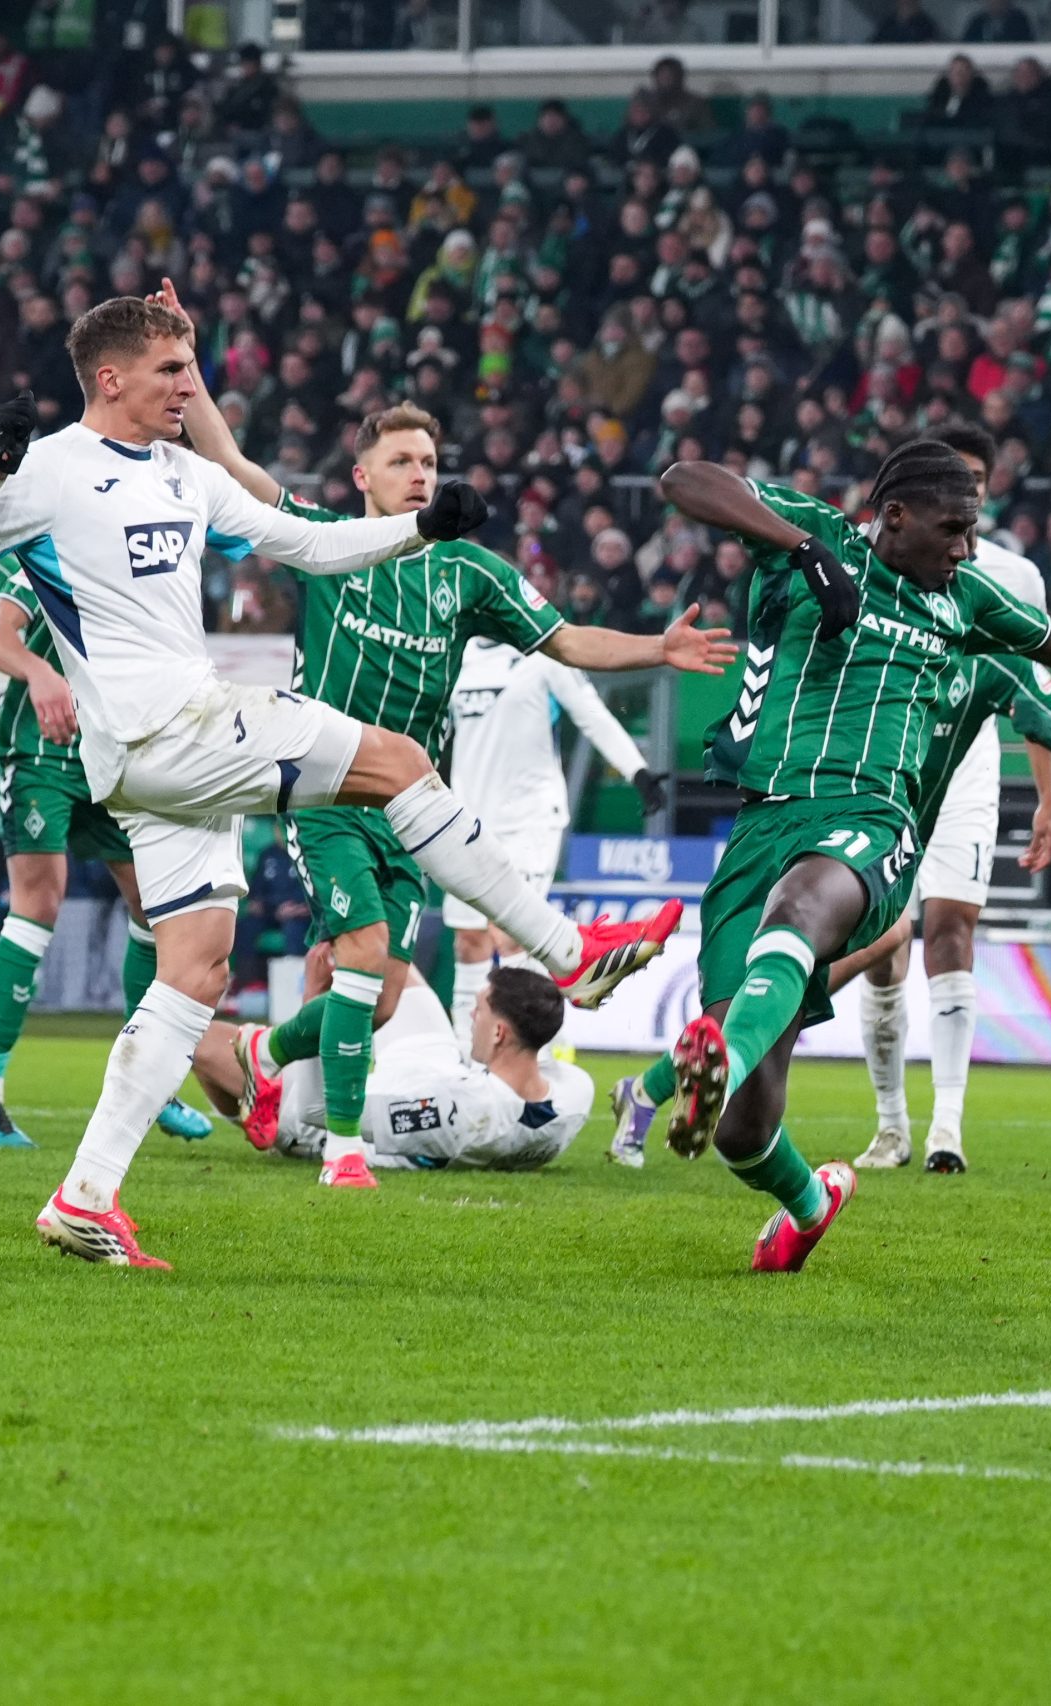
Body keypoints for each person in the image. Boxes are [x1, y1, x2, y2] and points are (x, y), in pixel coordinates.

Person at [0, 295, 687, 1267]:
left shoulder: (185, 473)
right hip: (170, 726)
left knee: (197, 966)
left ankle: (86, 1193)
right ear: (110, 378)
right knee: (400, 762)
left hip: (155, 764)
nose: (188, 386)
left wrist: (418, 530)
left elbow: (307, 543)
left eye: (189, 366)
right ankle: (569, 953)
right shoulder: (48, 468)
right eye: (170, 370)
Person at [608, 446, 1051, 1273]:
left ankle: (719, 1058)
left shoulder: (966, 600)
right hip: (762, 823)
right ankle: (809, 1199)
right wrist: (805, 553)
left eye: (972, 530)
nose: (966, 547)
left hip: (872, 819)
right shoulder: (815, 534)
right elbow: (685, 480)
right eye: (953, 528)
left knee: (800, 909)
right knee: (743, 1131)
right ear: (895, 516)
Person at [171, 371, 711, 1188]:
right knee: (362, 952)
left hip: (408, 807)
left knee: (379, 988)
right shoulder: (325, 542)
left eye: (428, 461)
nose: (420, 474)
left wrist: (657, 649)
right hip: (323, 791)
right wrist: (194, 377)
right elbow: (235, 466)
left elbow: (566, 640)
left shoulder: (468, 572)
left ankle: (260, 1052)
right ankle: (344, 1151)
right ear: (363, 476)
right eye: (401, 461)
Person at [855, 426, 1051, 1176]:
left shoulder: (1014, 574)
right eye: (955, 478)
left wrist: (1046, 798)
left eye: (976, 479)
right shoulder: (870, 555)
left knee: (950, 928)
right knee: (883, 946)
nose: (967, 491)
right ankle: (891, 1125)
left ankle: (946, 1127)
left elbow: (1034, 684)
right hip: (885, 764)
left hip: (968, 767)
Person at [0, 562, 216, 1149]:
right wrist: (40, 672)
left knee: (154, 907)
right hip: (39, 751)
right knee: (38, 903)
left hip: (111, 753)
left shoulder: (146, 564)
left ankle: (150, 1083)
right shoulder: (59, 548)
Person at [442, 638, 662, 1045]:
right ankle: (466, 1054)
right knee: (469, 940)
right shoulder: (458, 653)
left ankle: (532, 1053)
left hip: (530, 819)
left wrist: (637, 770)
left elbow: (590, 712)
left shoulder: (542, 651)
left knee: (512, 937)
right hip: (467, 822)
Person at [194, 953, 594, 1173]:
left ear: (499, 1034)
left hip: (332, 1113)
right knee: (376, 946)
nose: (472, 1017)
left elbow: (318, 1111)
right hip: (434, 1063)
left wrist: (315, 1001)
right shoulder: (574, 1091)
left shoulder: (460, 1113)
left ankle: (248, 1108)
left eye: (479, 1010)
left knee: (194, 1035)